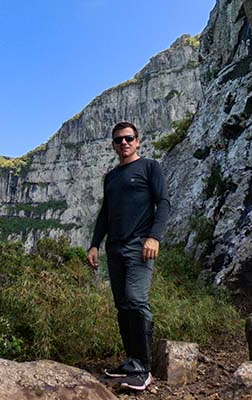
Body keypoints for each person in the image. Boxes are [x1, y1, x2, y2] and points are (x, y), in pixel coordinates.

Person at [87, 121, 171, 392]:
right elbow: (105, 214)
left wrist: (154, 236)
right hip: (115, 249)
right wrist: (94, 245)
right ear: (113, 145)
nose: (124, 143)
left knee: (136, 300)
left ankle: (144, 369)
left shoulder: (150, 167)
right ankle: (132, 361)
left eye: (129, 138)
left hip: (140, 247)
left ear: (138, 141)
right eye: (118, 140)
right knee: (123, 306)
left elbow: (164, 203)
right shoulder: (110, 177)